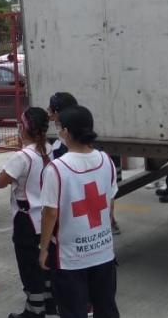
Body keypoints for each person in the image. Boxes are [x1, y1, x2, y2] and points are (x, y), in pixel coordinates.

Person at [39, 105, 120, 318]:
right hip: (103, 252)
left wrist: (42, 249)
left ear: (67, 132)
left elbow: (50, 214)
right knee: (106, 308)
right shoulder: (106, 160)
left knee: (73, 313)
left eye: (60, 127)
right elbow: (109, 202)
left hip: (71, 257)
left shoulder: (57, 169)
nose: (58, 131)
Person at [0, 107, 56, 318]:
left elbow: (1, 182)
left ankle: (34, 312)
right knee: (46, 259)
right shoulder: (49, 150)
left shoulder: (23, 156)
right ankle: (50, 301)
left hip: (27, 218)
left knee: (29, 265)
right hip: (48, 217)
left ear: (23, 128)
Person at [49, 92, 120, 235]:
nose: (49, 114)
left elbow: (52, 208)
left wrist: (44, 246)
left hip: (76, 235)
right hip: (101, 235)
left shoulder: (58, 154)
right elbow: (109, 194)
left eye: (50, 110)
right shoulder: (102, 156)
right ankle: (111, 223)